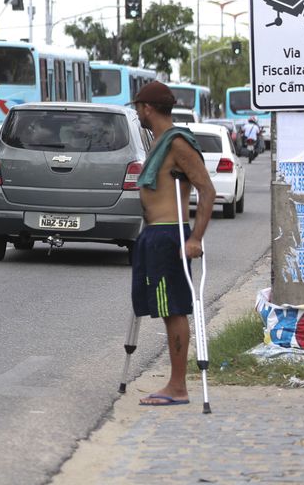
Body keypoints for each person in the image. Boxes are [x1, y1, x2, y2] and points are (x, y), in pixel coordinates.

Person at [130, 81, 216, 407]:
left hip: (169, 235)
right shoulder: (158, 142)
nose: (137, 112)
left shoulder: (178, 143)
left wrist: (196, 238)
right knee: (162, 308)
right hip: (153, 235)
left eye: (138, 106)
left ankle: (178, 386)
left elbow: (206, 189)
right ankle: (174, 384)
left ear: (147, 108)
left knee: (174, 309)